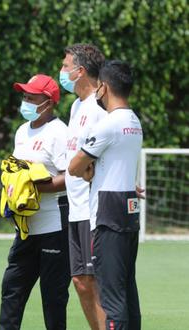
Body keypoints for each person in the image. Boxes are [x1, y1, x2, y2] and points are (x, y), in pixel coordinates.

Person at [68, 60, 143, 330]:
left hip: (107, 212)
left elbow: (74, 166)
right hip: (128, 208)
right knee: (126, 290)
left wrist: (87, 171)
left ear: (104, 87)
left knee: (111, 295)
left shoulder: (108, 125)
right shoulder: (134, 121)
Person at [0, 74, 71, 330]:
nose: (25, 101)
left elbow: (70, 176)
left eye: (32, 97)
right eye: (24, 96)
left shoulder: (60, 132)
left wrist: (34, 188)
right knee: (12, 289)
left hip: (55, 225)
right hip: (27, 227)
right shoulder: (22, 131)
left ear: (48, 102)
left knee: (53, 297)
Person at [59, 43, 106, 329]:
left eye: (65, 67)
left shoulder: (100, 106)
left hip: (94, 209)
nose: (62, 72)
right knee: (80, 281)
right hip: (75, 208)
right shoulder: (76, 106)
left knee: (96, 281)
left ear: (81, 71)